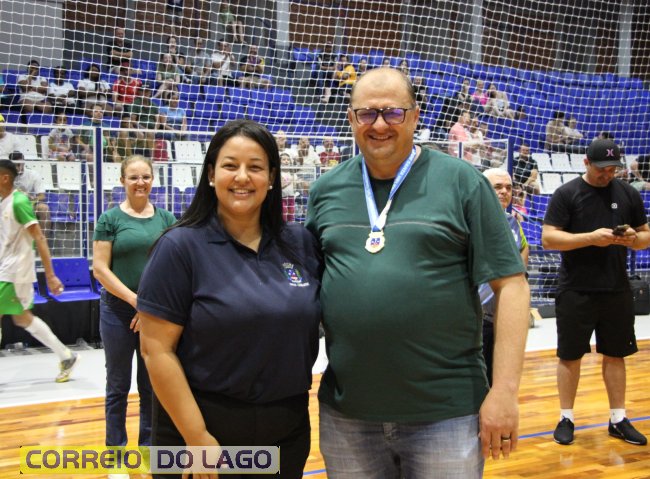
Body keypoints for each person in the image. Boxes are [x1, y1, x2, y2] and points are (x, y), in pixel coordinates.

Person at [305, 67, 530, 478]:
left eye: (392, 112)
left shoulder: (462, 181)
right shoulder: (325, 190)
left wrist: (504, 391)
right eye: (367, 113)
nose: (379, 125)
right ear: (351, 118)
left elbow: (512, 285)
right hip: (348, 414)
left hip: (446, 413)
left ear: (415, 116)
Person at [136, 120, 322, 478]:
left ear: (272, 177)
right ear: (211, 174)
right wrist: (196, 436)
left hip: (288, 431)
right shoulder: (178, 246)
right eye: (230, 165)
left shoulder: (300, 242)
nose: (242, 177)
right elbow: (156, 351)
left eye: (255, 167)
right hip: (201, 436)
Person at [542, 138, 650, 447]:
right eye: (602, 169)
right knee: (570, 356)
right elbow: (549, 238)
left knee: (616, 354)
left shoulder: (628, 193)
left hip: (616, 288)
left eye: (613, 169)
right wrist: (590, 238)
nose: (607, 174)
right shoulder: (567, 194)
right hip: (575, 289)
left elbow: (645, 236)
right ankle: (566, 417)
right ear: (586, 163)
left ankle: (618, 419)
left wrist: (633, 239)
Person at [92, 156, 176, 475]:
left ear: (153, 179)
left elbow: (171, 267)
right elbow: (101, 269)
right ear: (122, 180)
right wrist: (134, 300)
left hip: (154, 314)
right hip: (116, 311)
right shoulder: (110, 219)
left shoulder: (167, 219)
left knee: (151, 387)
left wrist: (150, 307)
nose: (140, 183)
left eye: (145, 177)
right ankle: (115, 457)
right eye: (133, 177)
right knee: (117, 386)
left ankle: (148, 452)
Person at [0, 159, 78, 383]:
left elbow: (40, 238)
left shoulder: (19, 202)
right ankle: (66, 355)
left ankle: (67, 356)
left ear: (4, 178)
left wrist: (50, 275)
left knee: (20, 317)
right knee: (22, 318)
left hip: (14, 272)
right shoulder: (5, 202)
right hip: (9, 270)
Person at [480, 168, 529, 385]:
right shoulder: (469, 221)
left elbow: (523, 253)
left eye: (509, 187)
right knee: (478, 380)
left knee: (500, 379)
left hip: (502, 317)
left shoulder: (513, 222)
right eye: (497, 187)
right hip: (476, 318)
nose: (504, 192)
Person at [11, 152, 51, 233]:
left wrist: (31, 198)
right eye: (14, 165)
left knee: (44, 209)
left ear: (23, 163)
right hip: (11, 203)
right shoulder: (6, 175)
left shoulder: (33, 175)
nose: (17, 168)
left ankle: (43, 238)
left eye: (19, 165)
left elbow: (42, 196)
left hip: (30, 204)